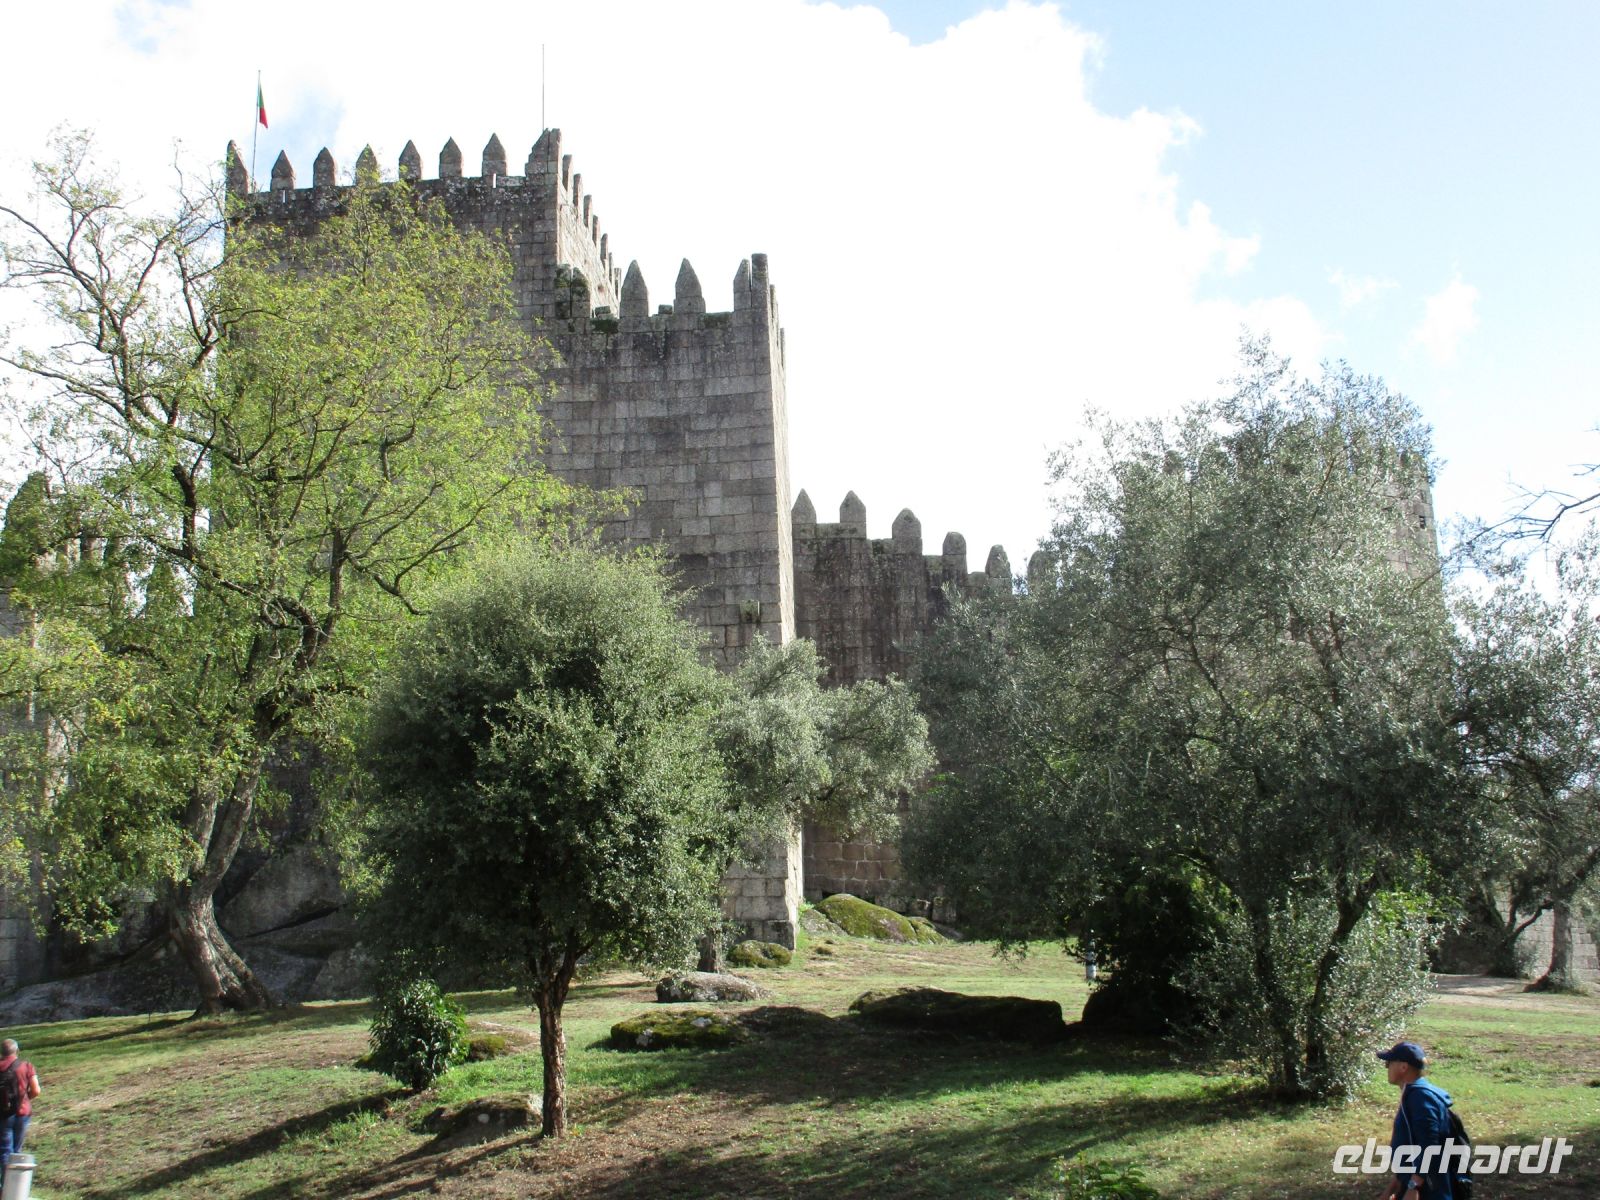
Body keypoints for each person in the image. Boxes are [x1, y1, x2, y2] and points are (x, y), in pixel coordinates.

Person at [1377, 1040, 1456, 1199]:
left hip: (1429, 1189)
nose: (1386, 1068)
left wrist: (1414, 1186)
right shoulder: (1415, 1094)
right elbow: (1412, 1144)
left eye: (1388, 1063)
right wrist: (1395, 1185)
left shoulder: (1420, 1097)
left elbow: (1430, 1145)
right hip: (1417, 1182)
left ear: (1403, 1067)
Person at [0, 1037, 41, 1182]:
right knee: (16, 1152)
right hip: (23, 1112)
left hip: (3, 1115)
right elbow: (36, 1090)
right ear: (17, 1050)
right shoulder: (27, 1066)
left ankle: (5, 1188)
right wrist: (23, 1100)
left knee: (5, 1151)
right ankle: (14, 1188)